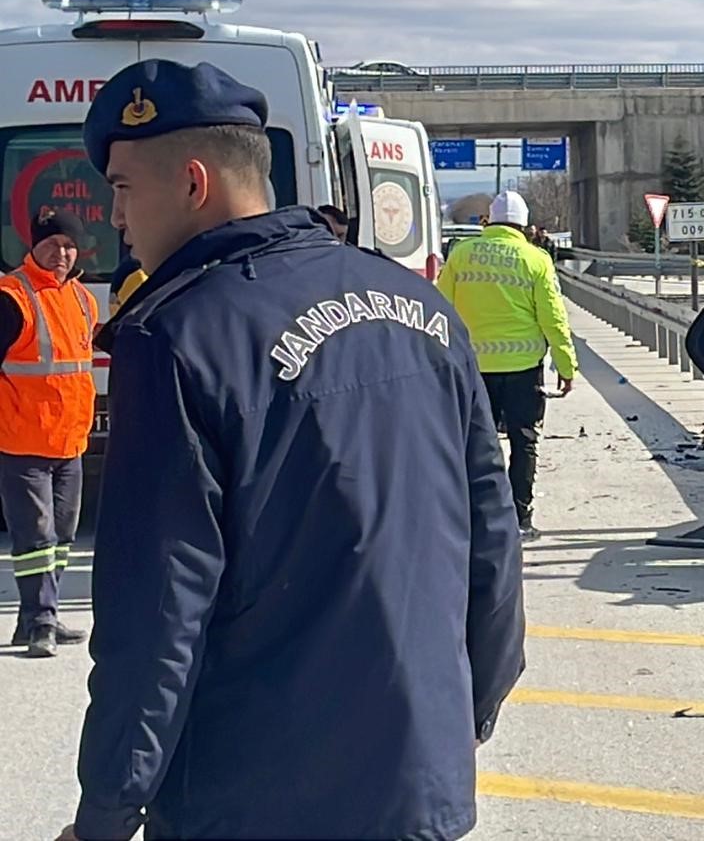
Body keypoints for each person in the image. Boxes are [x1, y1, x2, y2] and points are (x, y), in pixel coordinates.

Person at [65, 59, 525, 841]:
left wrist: (106, 811)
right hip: (419, 782)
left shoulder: (177, 338)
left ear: (193, 183)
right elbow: (492, 537)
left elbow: (157, 615)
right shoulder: (419, 306)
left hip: (252, 797)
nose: (114, 216)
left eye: (121, 187)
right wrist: (462, 715)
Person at [437, 190, 577, 534]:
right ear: (524, 225)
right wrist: (565, 365)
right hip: (522, 368)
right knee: (524, 441)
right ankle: (519, 518)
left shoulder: (461, 254)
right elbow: (553, 319)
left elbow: (440, 308)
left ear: (489, 219)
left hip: (474, 369)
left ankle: (477, 519)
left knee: (475, 444)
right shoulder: (536, 259)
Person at [0, 207, 98, 659]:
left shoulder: (81, 298)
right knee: (35, 537)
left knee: (61, 537)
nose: (61, 252)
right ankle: (40, 621)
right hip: (22, 440)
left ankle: (40, 618)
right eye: (52, 244)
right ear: (33, 247)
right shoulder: (11, 296)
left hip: (70, 440)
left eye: (68, 245)